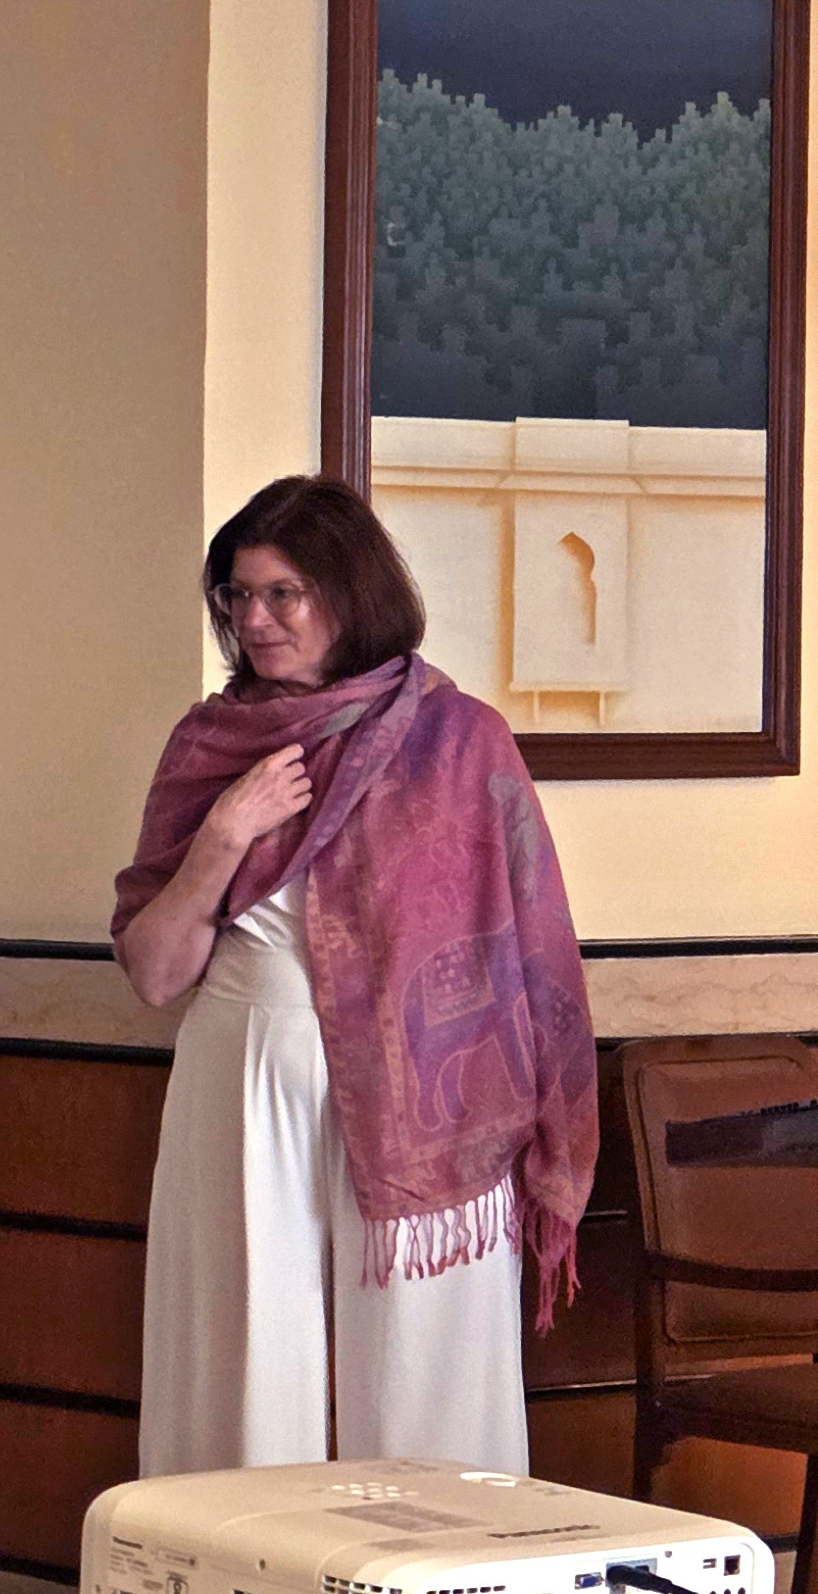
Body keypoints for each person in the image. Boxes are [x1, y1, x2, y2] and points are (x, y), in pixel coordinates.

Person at [115, 475, 597, 1475]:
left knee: (430, 1372)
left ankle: (443, 1570)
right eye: (239, 595)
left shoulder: (459, 739)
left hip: (429, 1089)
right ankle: (240, 1570)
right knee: (243, 1357)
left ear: (348, 594)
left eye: (282, 594)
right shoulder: (211, 748)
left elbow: (533, 936)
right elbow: (155, 976)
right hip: (247, 1074)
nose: (254, 620)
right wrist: (224, 834)